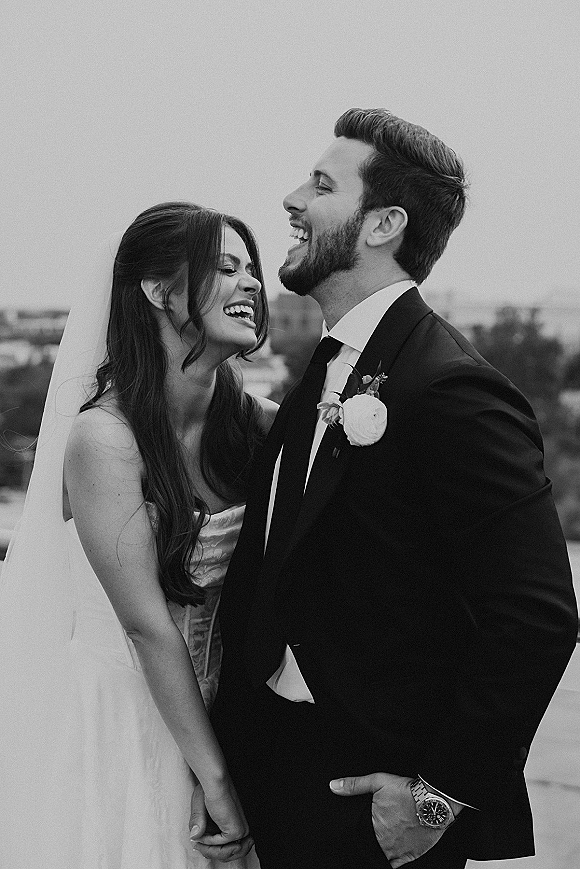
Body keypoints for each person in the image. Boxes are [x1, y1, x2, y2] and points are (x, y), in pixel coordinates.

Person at [208, 109, 579, 868]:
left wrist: (437, 796)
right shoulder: (328, 366)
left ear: (383, 224)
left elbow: (538, 614)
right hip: (280, 775)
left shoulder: (451, 386)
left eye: (320, 185)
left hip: (375, 812)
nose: (291, 200)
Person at [0, 202, 275, 869]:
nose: (253, 286)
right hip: (124, 719)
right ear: (158, 291)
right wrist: (218, 785)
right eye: (226, 268)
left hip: (225, 714)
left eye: (253, 271)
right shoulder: (103, 440)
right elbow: (149, 628)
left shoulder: (260, 425)